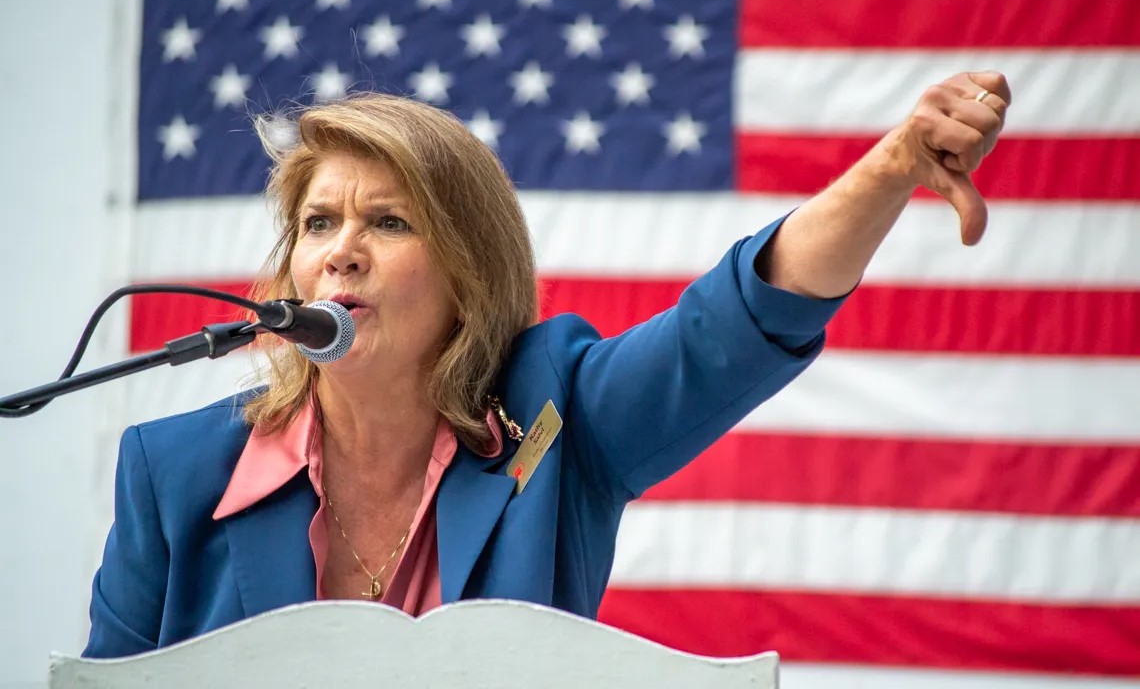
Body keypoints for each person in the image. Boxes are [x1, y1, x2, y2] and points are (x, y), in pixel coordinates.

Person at [83, 72, 1011, 658]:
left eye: (388, 222)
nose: (341, 253)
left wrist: (891, 169)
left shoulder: (557, 416)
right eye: (318, 223)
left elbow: (731, 326)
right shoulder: (174, 472)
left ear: (469, 273)